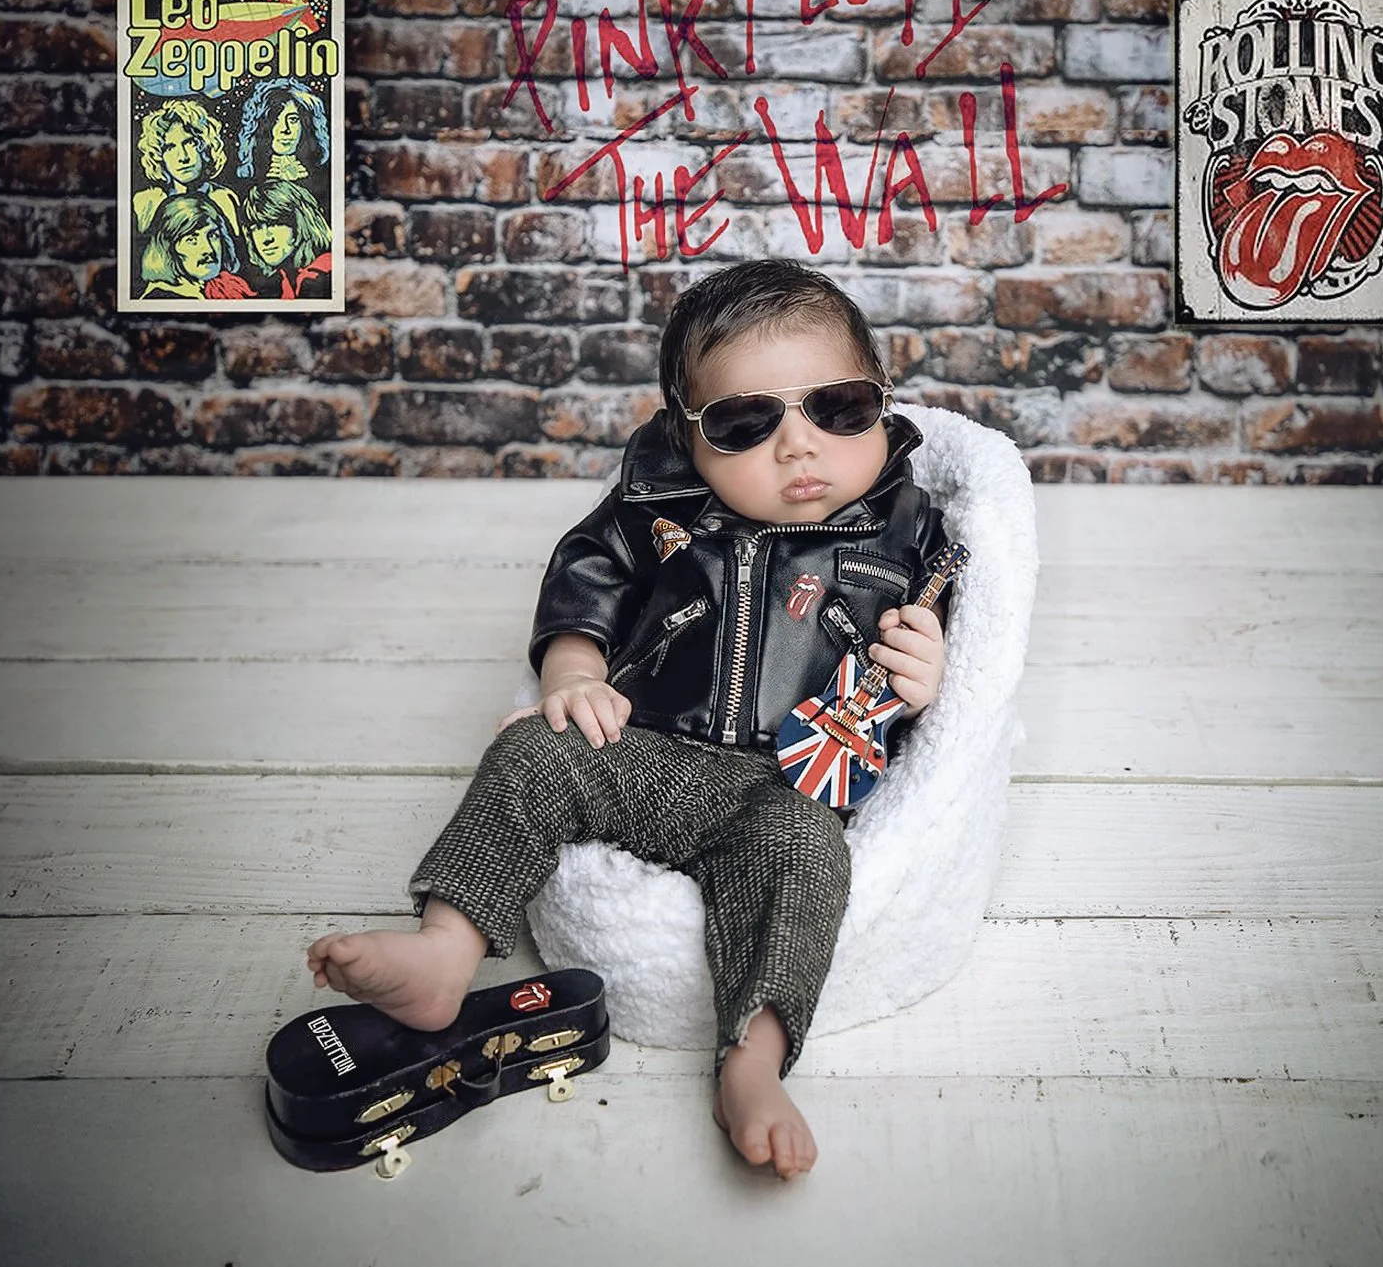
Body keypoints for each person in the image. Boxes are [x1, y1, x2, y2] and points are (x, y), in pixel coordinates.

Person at [306, 260, 952, 1181]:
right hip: (644, 747)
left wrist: (924, 676)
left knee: (806, 855)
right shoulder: (655, 506)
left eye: (837, 407)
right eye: (743, 423)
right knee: (535, 746)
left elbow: (938, 648)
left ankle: (753, 1060)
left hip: (783, 785)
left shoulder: (912, 529)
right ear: (687, 436)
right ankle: (444, 950)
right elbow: (587, 576)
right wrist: (574, 670)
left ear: (881, 400)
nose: (798, 447)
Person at [132, 99, 241, 237]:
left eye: (190, 143)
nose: (183, 157)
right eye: (169, 147)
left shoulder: (222, 199)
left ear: (205, 146)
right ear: (158, 156)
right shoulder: (148, 204)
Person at [134, 193, 252, 301]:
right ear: (169, 248)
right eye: (192, 240)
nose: (208, 249)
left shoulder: (226, 287)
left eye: (213, 235)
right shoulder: (160, 297)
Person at [240, 180, 333, 301]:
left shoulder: (321, 274)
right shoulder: (283, 280)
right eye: (256, 228)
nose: (266, 239)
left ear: (300, 224)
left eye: (275, 224)